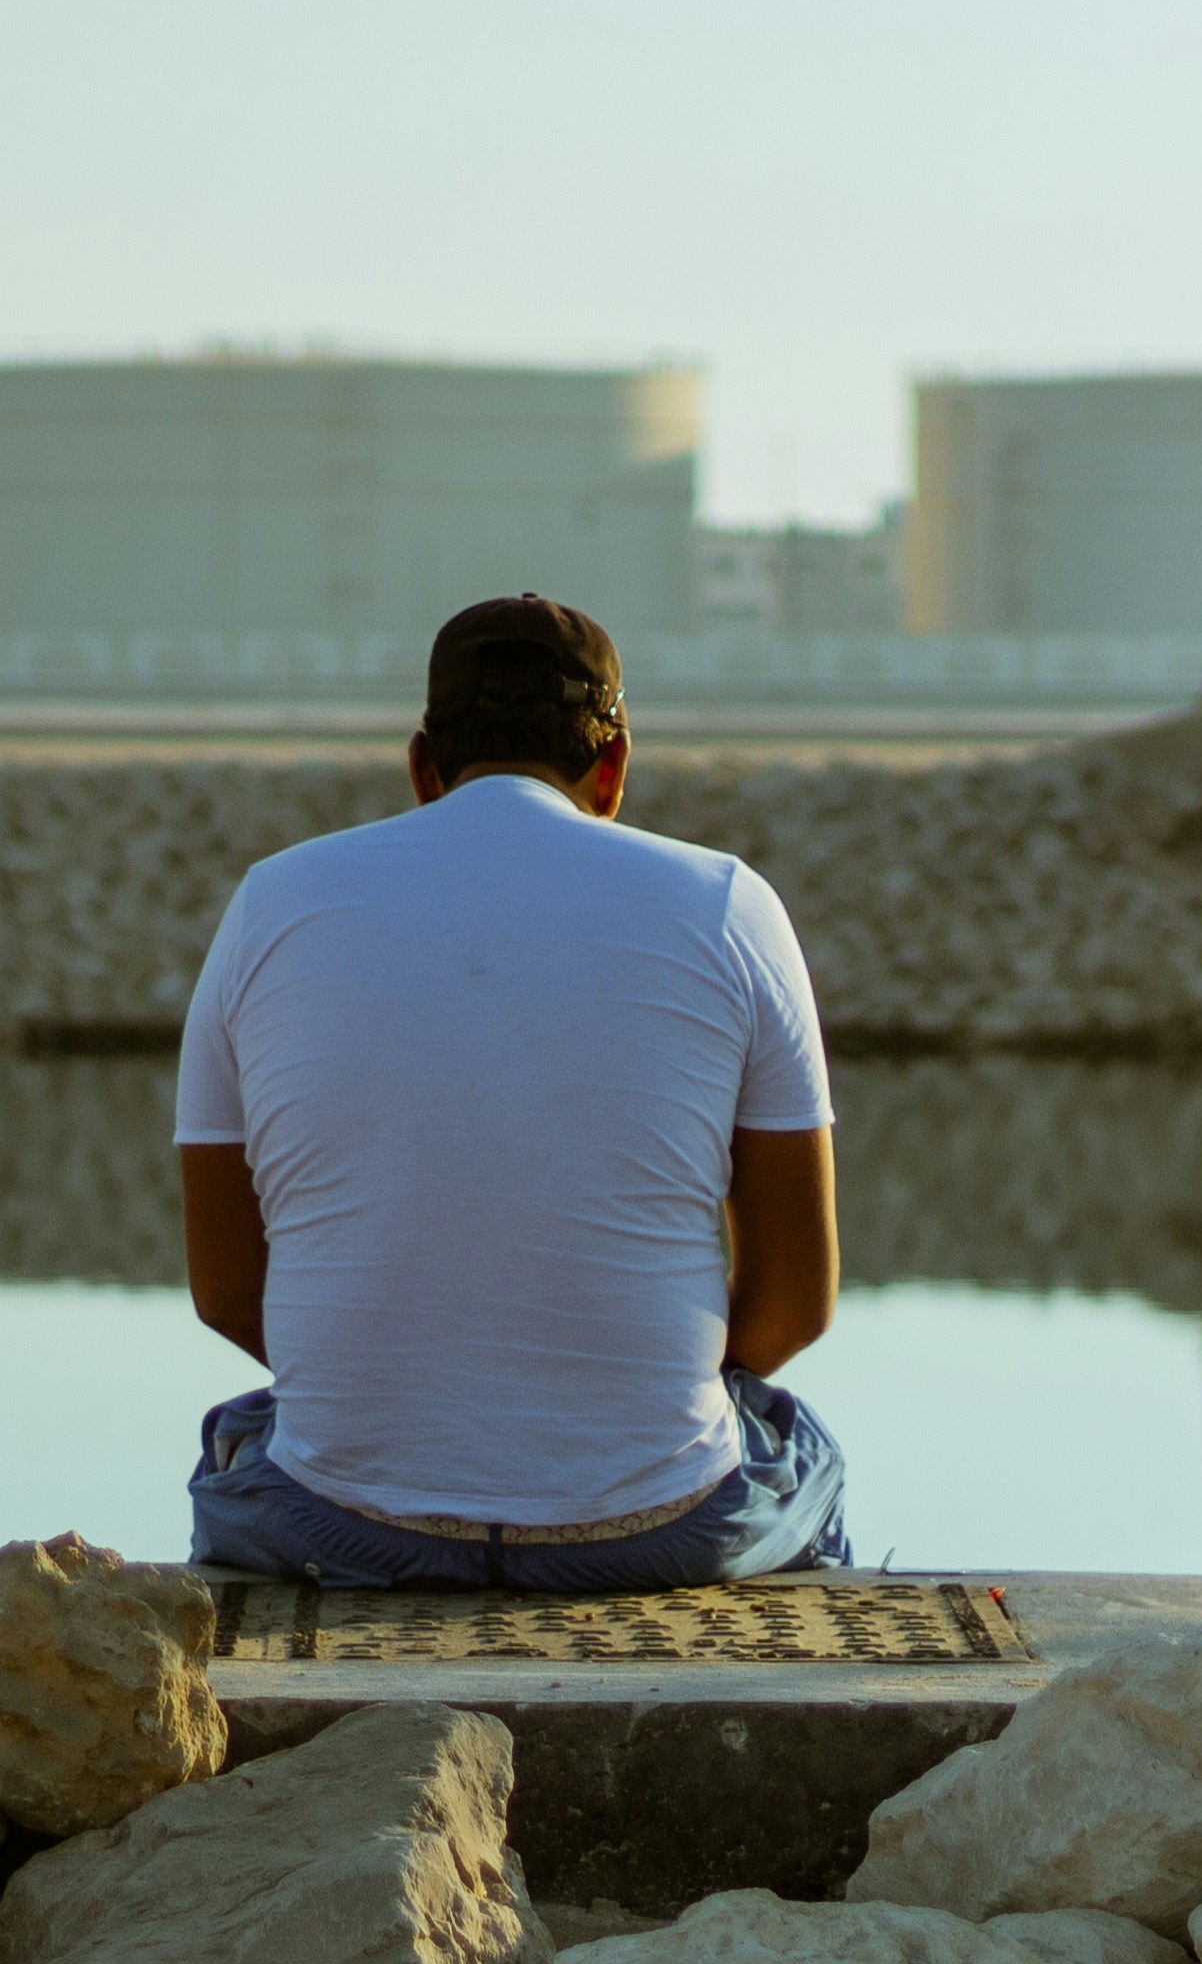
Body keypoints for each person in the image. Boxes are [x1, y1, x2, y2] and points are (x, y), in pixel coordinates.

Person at [173, 591, 856, 1590]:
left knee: (245, 1436)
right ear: (614, 766)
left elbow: (227, 1290)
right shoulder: (727, 905)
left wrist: (392, 1399)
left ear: (423, 768)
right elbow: (795, 1303)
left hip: (340, 1523)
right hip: (652, 1527)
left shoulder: (272, 902)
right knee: (803, 1451)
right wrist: (622, 1412)